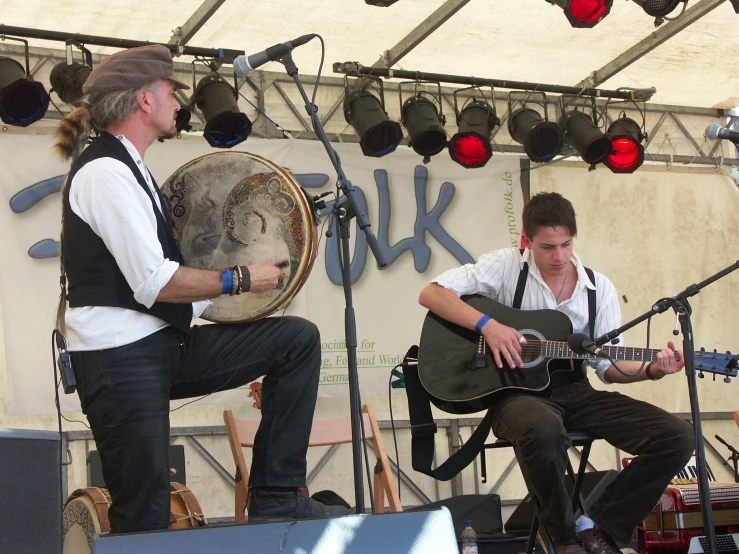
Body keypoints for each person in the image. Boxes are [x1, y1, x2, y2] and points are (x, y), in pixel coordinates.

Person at [54, 44, 348, 533]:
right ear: (143, 100)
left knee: (295, 341)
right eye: (171, 91)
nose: (178, 103)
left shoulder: (132, 167)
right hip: (118, 358)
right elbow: (155, 283)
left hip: (162, 345)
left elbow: (167, 275)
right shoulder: (105, 172)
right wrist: (240, 278)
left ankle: (276, 494)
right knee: (144, 517)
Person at [418, 192, 694, 554]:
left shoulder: (598, 289)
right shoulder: (505, 267)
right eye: (547, 247)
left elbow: (610, 369)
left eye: (566, 245)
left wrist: (654, 370)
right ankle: (564, 538)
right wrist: (488, 325)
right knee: (541, 427)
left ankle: (601, 528)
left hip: (576, 391)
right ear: (526, 241)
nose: (559, 256)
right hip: (515, 394)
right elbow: (432, 293)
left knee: (677, 436)